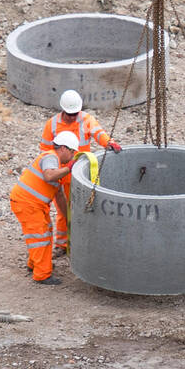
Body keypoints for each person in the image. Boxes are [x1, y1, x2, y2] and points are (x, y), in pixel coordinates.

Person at [39, 89, 121, 257]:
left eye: (75, 113)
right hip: (61, 174)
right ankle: (62, 244)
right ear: (62, 110)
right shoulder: (52, 125)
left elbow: (99, 133)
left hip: (80, 174)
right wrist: (52, 170)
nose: (72, 117)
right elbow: (45, 151)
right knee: (63, 210)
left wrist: (109, 143)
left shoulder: (86, 120)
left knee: (83, 208)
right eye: (69, 114)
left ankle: (83, 241)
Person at [10, 131, 80, 285]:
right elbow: (49, 175)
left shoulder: (57, 166)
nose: (73, 155)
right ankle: (42, 275)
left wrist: (69, 219)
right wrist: (69, 168)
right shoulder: (50, 157)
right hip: (27, 203)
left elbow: (59, 196)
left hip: (34, 204)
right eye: (72, 151)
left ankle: (35, 264)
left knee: (45, 233)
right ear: (63, 148)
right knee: (40, 236)